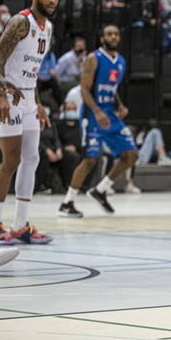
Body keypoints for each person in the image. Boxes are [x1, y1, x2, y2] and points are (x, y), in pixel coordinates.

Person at [0, 0, 60, 245]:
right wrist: (0, 95)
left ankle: (20, 226)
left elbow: (31, 71)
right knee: (11, 160)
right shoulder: (20, 22)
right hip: (7, 95)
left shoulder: (49, 27)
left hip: (28, 97)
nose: (53, 0)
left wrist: (38, 103)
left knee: (31, 158)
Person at [58, 25, 138, 218]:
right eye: (109, 34)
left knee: (131, 155)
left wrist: (120, 105)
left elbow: (112, 88)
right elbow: (85, 89)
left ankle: (101, 190)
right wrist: (97, 111)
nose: (113, 36)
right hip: (93, 116)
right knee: (90, 159)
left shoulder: (121, 62)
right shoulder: (94, 58)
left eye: (116, 33)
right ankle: (67, 202)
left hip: (111, 115)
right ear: (102, 38)